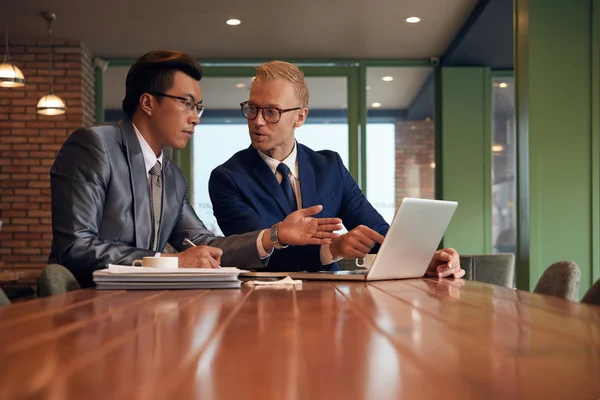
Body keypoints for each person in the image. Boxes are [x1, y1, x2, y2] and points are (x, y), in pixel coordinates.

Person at [49, 51, 342, 288]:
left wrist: (274, 236)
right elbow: (75, 247)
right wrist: (172, 261)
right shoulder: (94, 145)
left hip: (141, 308)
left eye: (198, 107)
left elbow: (203, 244)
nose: (195, 119)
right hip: (87, 310)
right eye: (186, 104)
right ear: (148, 102)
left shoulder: (171, 176)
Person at [209, 60, 464, 277]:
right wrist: (333, 249)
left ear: (300, 117)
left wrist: (426, 259)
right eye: (252, 108)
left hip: (329, 305)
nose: (258, 121)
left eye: (271, 111)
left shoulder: (330, 167)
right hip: (261, 307)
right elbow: (257, 256)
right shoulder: (227, 178)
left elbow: (376, 233)